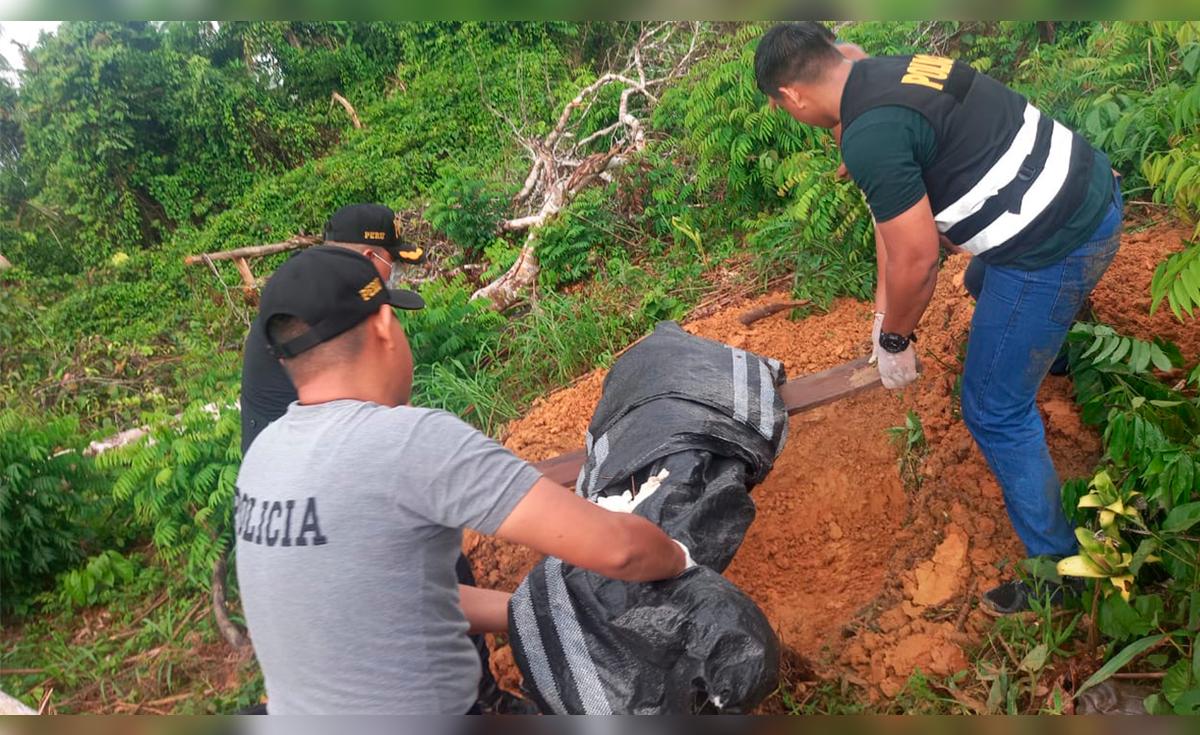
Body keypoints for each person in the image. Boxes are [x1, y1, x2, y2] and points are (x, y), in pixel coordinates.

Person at [754, 23, 1124, 614]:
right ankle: (1054, 353)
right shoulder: (886, 70)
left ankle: (1064, 572)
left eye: (782, 106)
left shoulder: (871, 137)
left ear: (793, 98)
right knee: (979, 278)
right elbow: (889, 220)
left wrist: (897, 337)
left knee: (993, 410)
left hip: (1060, 245)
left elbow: (919, 257)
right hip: (1091, 187)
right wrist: (880, 311)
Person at [234, 246, 690, 714]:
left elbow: (399, 596)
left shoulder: (264, 457)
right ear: (384, 329)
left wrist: (534, 610)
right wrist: (680, 559)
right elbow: (621, 548)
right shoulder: (408, 441)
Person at [237, 203, 523, 712]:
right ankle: (476, 697)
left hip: (281, 484)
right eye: (391, 260)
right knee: (431, 573)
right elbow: (382, 421)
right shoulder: (339, 318)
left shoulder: (297, 302)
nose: (396, 270)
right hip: (327, 482)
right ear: (371, 257)